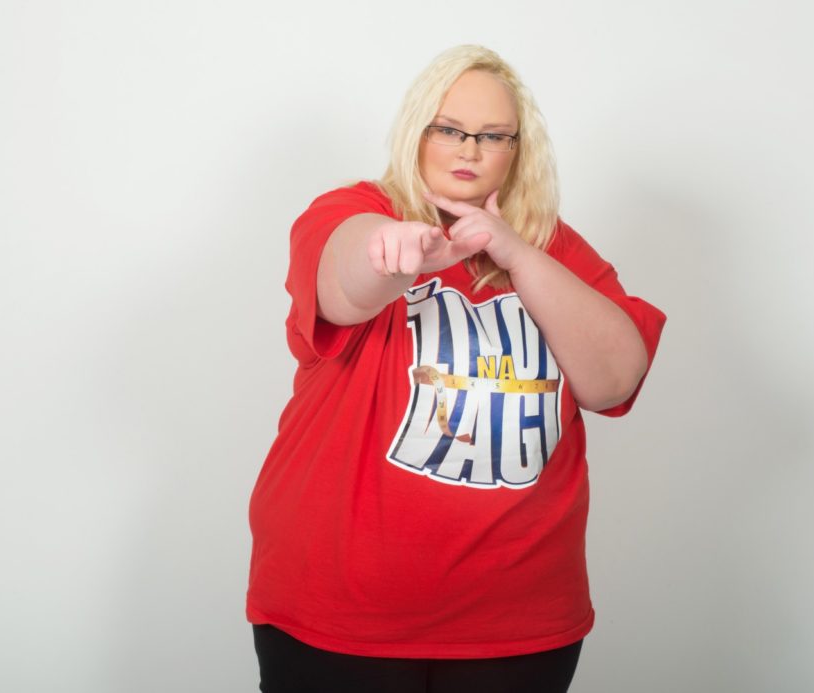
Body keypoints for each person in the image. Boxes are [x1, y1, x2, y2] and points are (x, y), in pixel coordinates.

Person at [246, 44, 666, 693]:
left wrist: (516, 253)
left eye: (493, 135)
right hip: (338, 612)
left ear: (517, 149)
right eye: (449, 129)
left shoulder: (553, 248)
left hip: (518, 623)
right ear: (417, 130)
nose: (470, 149)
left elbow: (615, 378)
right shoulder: (354, 210)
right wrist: (389, 253)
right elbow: (342, 286)